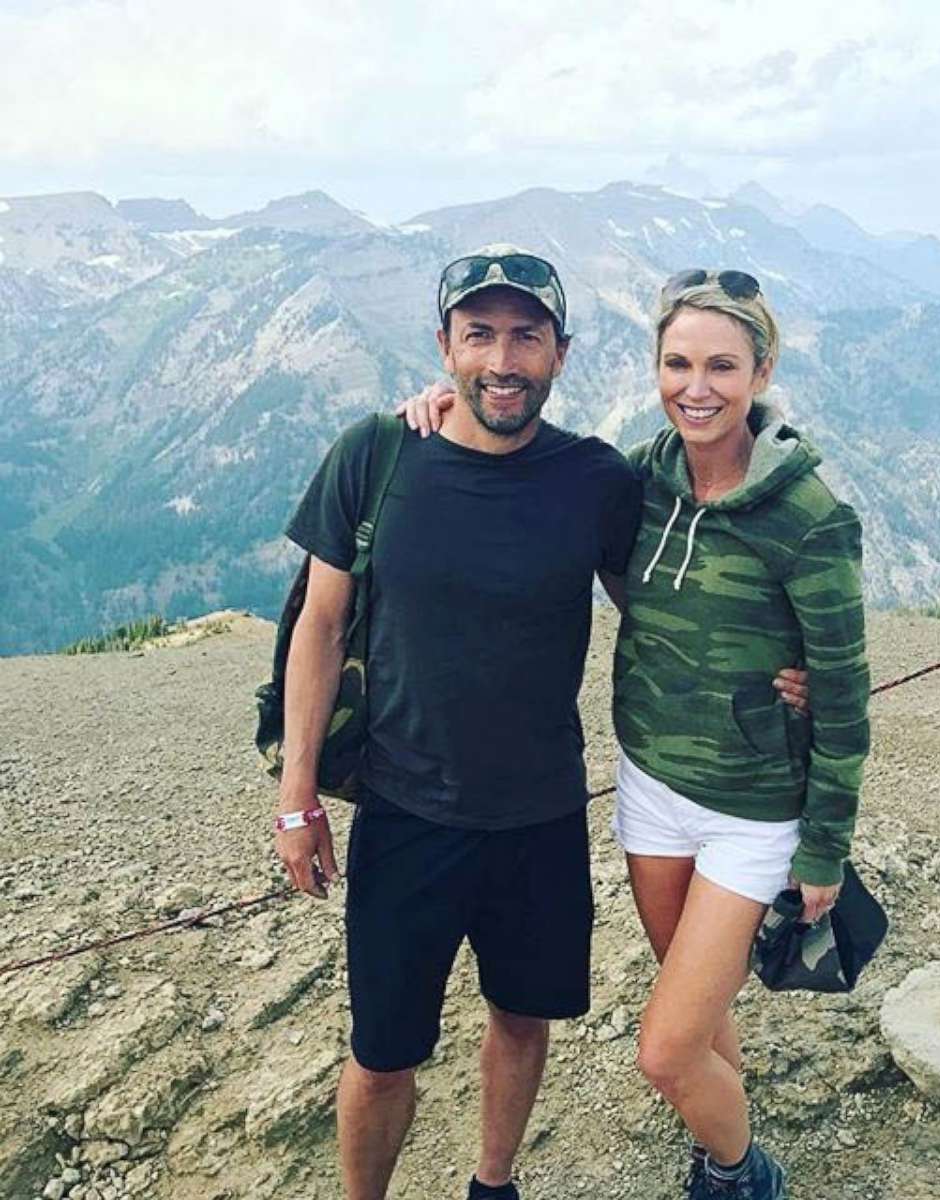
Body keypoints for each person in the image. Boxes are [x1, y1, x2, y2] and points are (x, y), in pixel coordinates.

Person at [404, 268, 869, 1200]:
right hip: (651, 787)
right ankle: (718, 1134)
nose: (696, 387)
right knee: (694, 1022)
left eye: (722, 367)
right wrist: (438, 404)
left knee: (662, 1051)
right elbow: (539, 491)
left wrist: (823, 849)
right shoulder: (640, 478)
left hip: (752, 811)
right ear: (655, 366)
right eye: (677, 363)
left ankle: (743, 1172)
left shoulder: (810, 518)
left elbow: (847, 697)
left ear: (761, 370)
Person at [273, 246, 646, 1200]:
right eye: (480, 334)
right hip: (404, 813)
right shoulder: (378, 455)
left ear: (561, 354)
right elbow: (319, 625)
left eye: (527, 336)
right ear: (444, 346)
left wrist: (788, 663)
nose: (503, 360)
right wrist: (296, 796)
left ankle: (493, 1185)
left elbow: (663, 602)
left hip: (540, 814)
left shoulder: (596, 480)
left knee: (524, 1018)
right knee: (383, 1049)